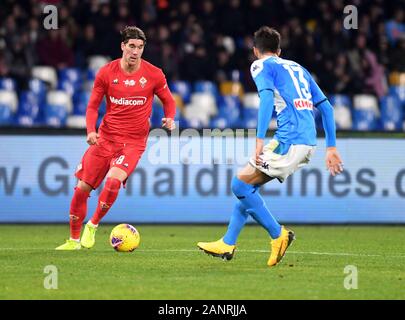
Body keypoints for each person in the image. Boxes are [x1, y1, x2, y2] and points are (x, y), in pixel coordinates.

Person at [197, 26, 344, 267]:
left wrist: (258, 139)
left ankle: (279, 235)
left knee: (239, 184)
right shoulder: (298, 68)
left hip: (290, 141)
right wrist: (331, 148)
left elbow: (265, 99)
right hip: (302, 141)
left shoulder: (260, 65)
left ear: (256, 51)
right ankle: (227, 242)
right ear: (279, 50)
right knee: (246, 187)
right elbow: (326, 108)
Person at [56, 26, 176, 250]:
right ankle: (73, 241)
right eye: (131, 46)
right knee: (82, 189)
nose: (135, 51)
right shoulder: (106, 72)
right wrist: (91, 131)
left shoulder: (154, 74)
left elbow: (169, 100)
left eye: (140, 47)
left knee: (113, 181)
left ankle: (92, 225)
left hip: (133, 143)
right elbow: (92, 106)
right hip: (106, 138)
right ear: (123, 46)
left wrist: (170, 118)